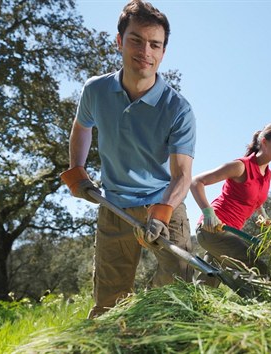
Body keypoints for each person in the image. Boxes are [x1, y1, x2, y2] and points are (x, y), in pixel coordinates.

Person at [60, 0, 196, 319]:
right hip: (115, 206)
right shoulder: (96, 90)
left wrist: (161, 214)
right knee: (109, 301)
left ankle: (148, 319)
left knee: (178, 289)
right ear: (119, 41)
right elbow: (82, 127)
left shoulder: (178, 109)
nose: (145, 51)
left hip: (164, 203)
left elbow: (182, 175)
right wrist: (76, 169)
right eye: (136, 40)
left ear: (163, 52)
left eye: (155, 44)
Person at [190, 123, 271, 284]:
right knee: (258, 270)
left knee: (209, 282)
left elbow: (255, 198)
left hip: (232, 232)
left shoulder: (267, 174)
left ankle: (189, 307)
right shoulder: (240, 166)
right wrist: (208, 213)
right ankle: (267, 307)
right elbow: (196, 182)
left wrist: (262, 217)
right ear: (264, 142)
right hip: (213, 228)